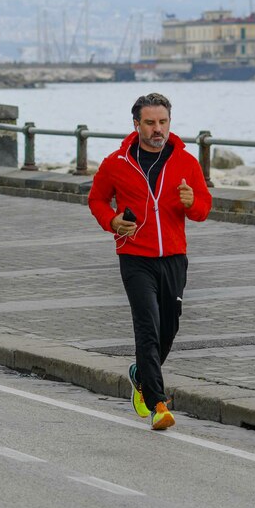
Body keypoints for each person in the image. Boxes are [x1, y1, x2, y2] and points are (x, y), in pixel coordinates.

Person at [87, 92, 212, 431]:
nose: (158, 129)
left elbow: (203, 207)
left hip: (174, 256)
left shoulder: (186, 162)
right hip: (134, 256)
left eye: (163, 122)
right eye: (150, 123)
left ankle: (139, 374)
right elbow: (97, 199)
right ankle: (158, 403)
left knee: (168, 327)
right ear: (136, 124)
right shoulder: (117, 162)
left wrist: (191, 202)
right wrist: (112, 221)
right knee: (147, 327)